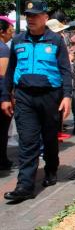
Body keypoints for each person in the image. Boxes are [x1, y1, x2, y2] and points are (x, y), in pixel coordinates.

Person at [2, 0, 72, 202]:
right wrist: (5, 96)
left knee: (49, 138)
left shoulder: (55, 41)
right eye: (28, 16)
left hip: (50, 96)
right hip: (24, 97)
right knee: (28, 142)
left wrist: (67, 96)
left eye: (35, 15)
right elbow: (10, 72)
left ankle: (51, 168)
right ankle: (25, 186)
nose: (30, 19)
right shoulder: (18, 40)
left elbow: (65, 70)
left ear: (45, 18)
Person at [0, 16, 14, 170]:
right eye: (9, 31)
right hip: (1, 96)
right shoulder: (3, 49)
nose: (11, 34)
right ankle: (2, 160)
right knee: (3, 130)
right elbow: (3, 76)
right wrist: (8, 96)